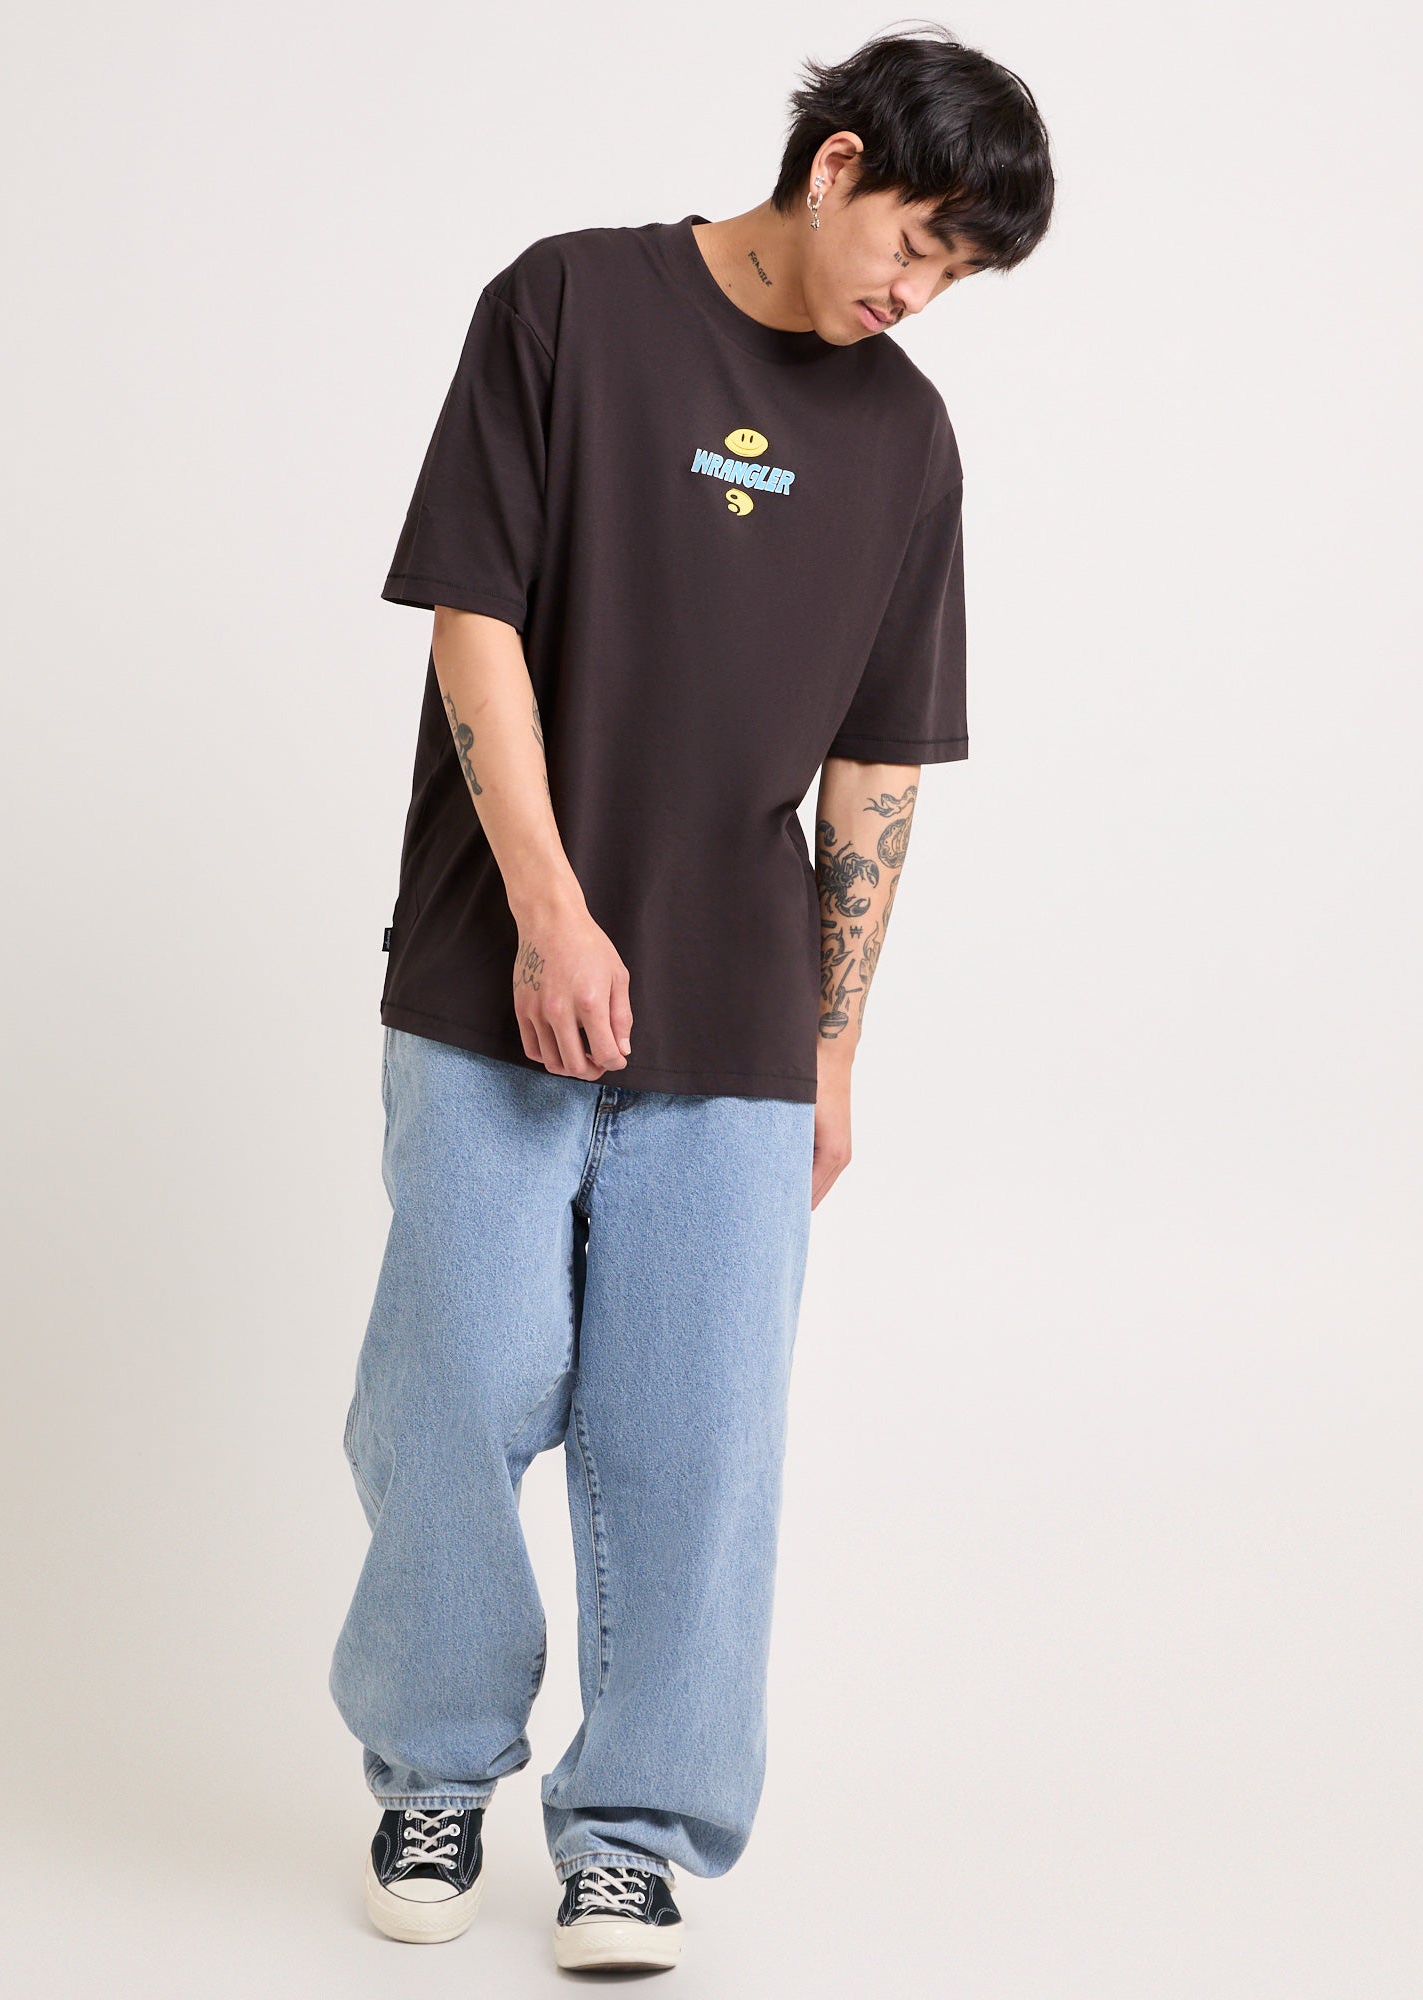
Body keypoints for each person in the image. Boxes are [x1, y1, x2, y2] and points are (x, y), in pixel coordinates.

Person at [329, 25, 1054, 1974]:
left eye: (962, 272)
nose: (922, 291)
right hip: (491, 970)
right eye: (917, 238)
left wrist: (834, 1045)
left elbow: (877, 766)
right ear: (835, 164)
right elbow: (472, 619)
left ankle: (631, 1835)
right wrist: (549, 912)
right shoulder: (567, 304)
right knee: (451, 1388)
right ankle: (431, 1765)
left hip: (735, 1011)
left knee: (696, 1437)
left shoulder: (906, 439)